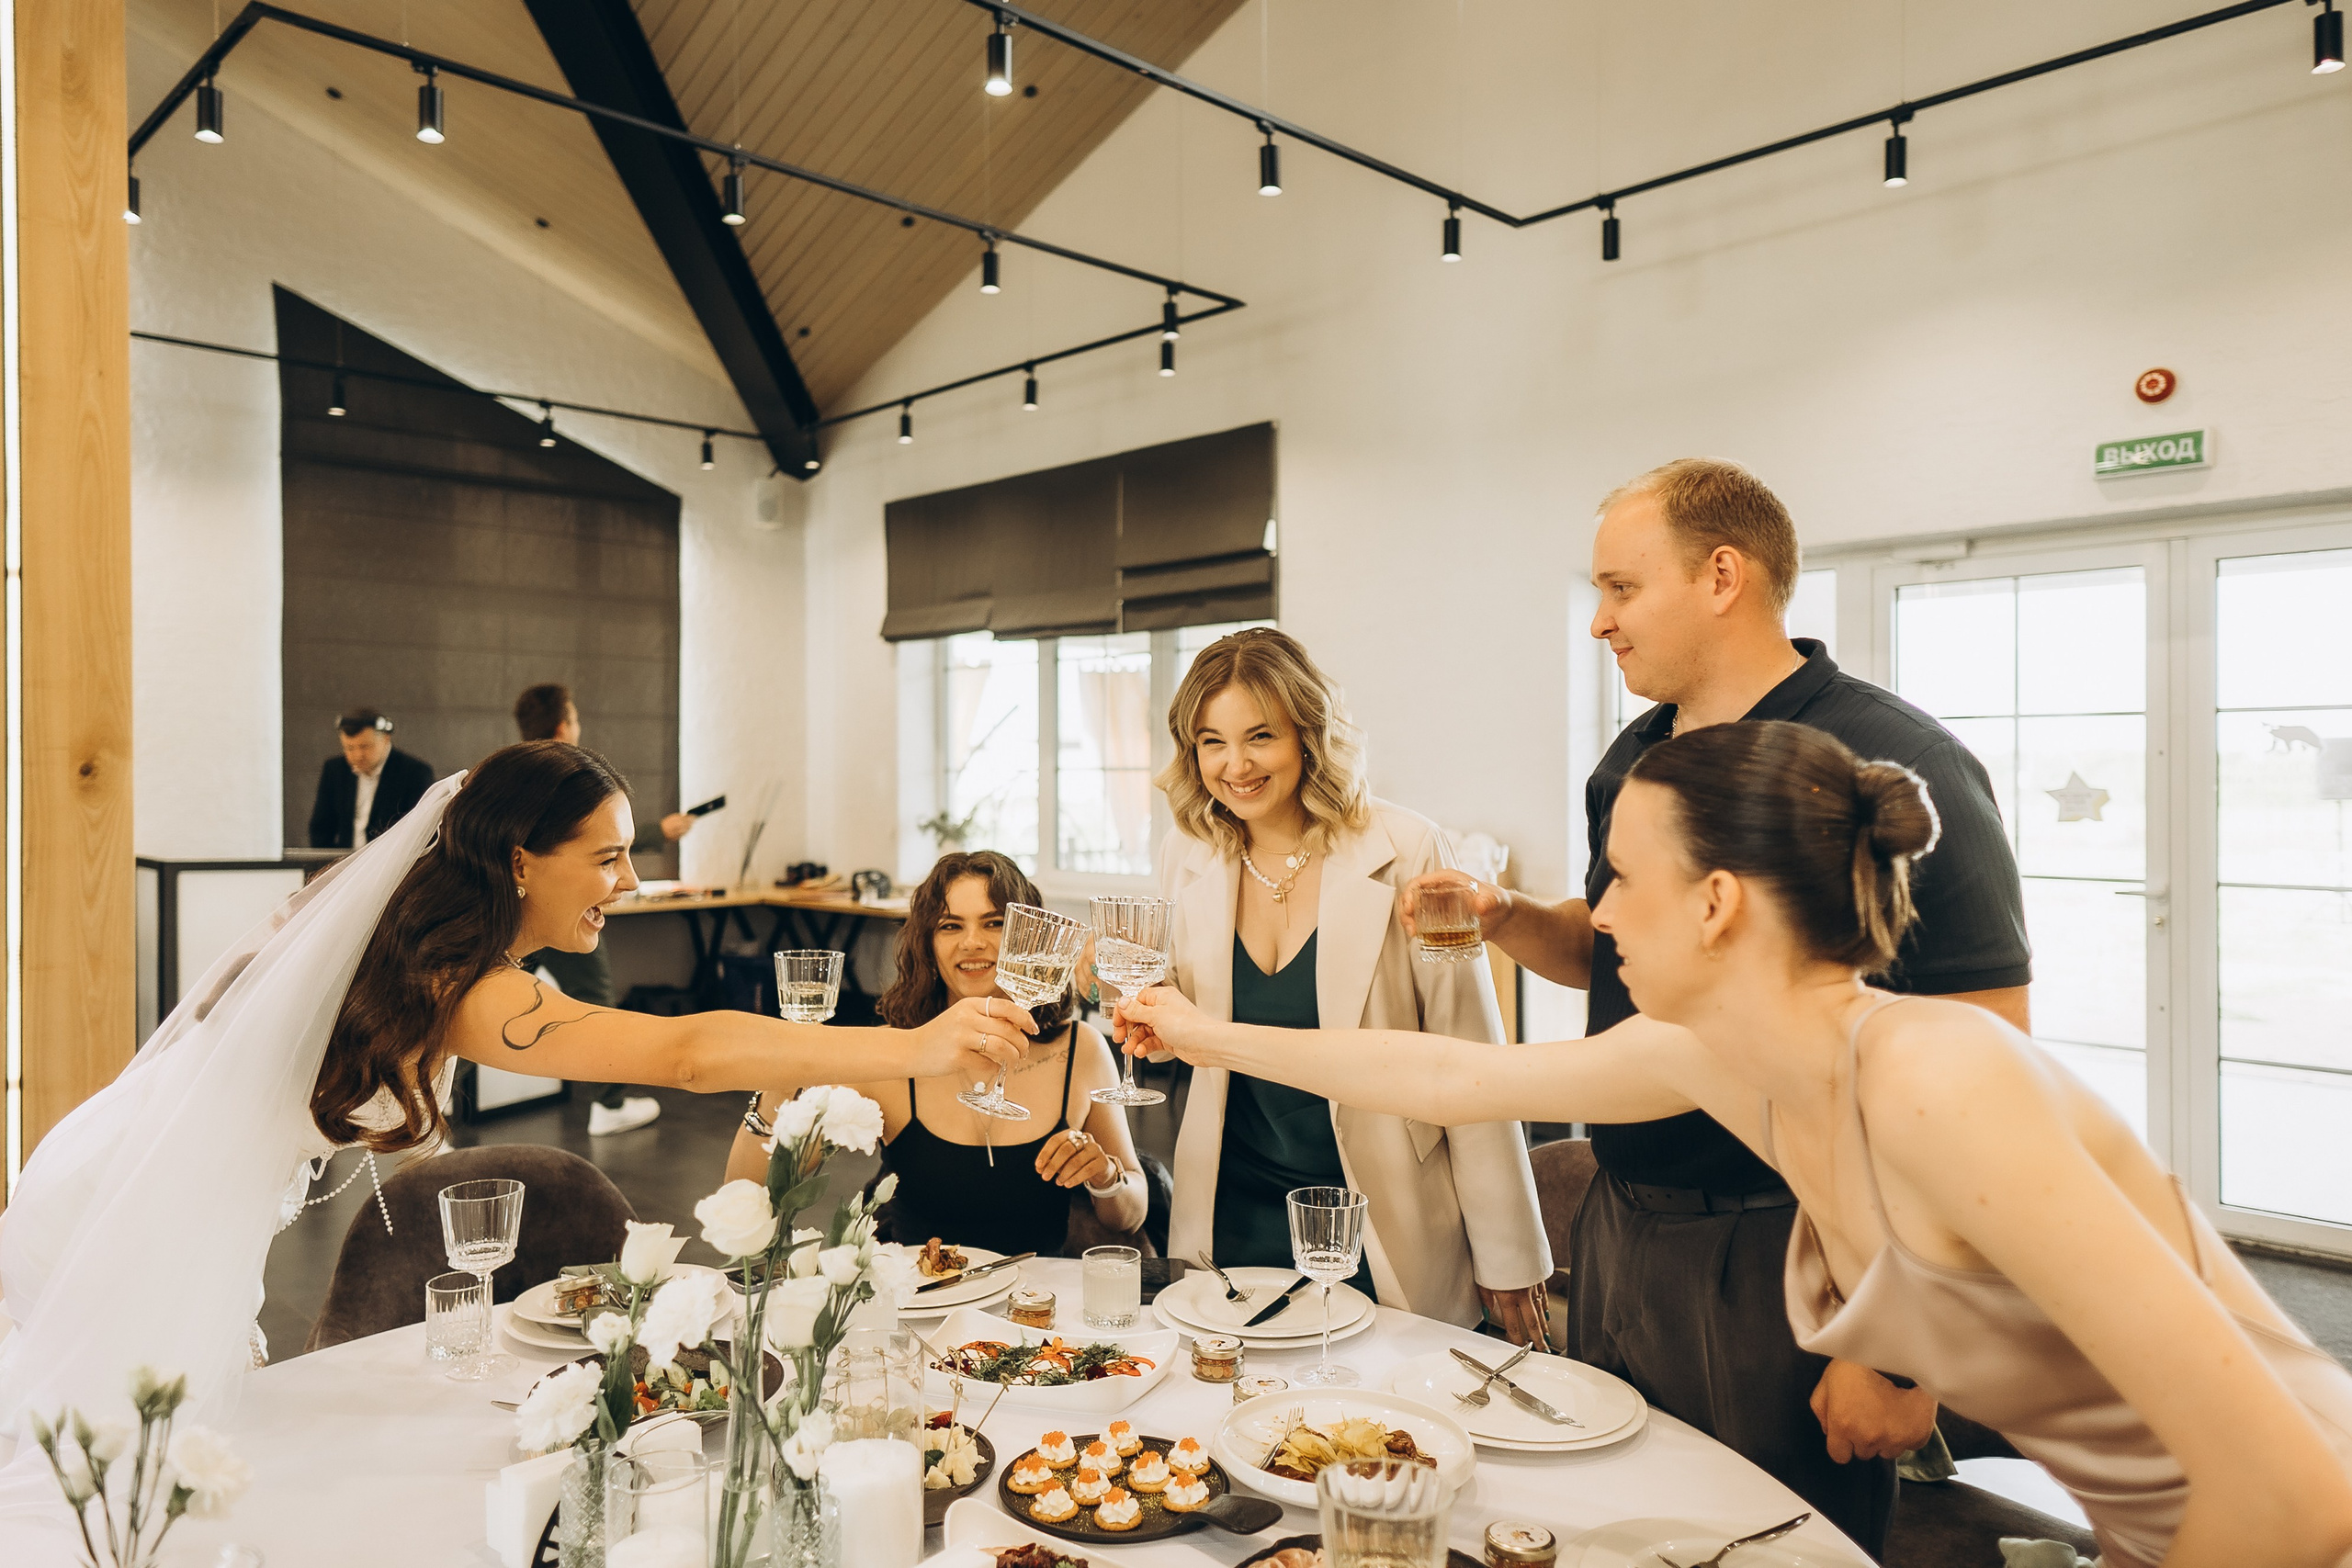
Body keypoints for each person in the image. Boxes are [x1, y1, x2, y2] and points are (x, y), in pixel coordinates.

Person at [1122, 720, 2352, 1568]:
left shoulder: (1938, 1073)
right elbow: (1447, 1078)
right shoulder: (1718, 1054)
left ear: (1716, 902)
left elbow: (2299, 1495)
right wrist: (1196, 1032)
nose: (1598, 914)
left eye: (1621, 878)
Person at [0, 739, 1031, 1551]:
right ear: (520, 860)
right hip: (135, 1209)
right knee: (103, 1482)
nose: (631, 881)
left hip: (143, 1181)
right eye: (609, 857)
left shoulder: (433, 948)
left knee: (152, 1473)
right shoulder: (458, 981)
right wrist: (910, 1044)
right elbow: (686, 1054)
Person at [1400, 458, 2030, 1554]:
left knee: (1772, 1545)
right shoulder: (1632, 759)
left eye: (1620, 588)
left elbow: (1989, 1077)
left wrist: (1895, 1346)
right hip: (1620, 1223)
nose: (1598, 621)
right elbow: (1608, 954)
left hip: (1793, 1244)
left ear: (1722, 576)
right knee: (1605, 1526)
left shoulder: (1898, 760)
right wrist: (1508, 917)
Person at [1151, 628, 1549, 1338]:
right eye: (1212, 742)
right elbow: (1184, 1020)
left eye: (1260, 736)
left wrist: (1508, 1252)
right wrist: (1145, 1016)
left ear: (1308, 734)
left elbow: (1472, 1056)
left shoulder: (1409, 849)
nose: (1235, 765)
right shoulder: (1186, 854)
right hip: (1233, 1215)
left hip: (1382, 1217)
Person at [722, 851, 1148, 1256]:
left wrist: (1106, 1176)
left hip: (1039, 1301)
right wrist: (785, 1071)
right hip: (922, 1295)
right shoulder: (891, 1054)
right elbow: (754, 1193)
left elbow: (1131, 1217)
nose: (972, 942)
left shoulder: (1079, 1050)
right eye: (950, 926)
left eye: (994, 923)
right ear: (927, 944)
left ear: (1030, 938)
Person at [512, 682, 696, 1135]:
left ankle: (437, 1110)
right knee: (595, 997)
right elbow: (593, 837)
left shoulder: (515, 774)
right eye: (575, 719)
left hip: (517, 908)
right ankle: (609, 1104)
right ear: (563, 726)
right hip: (563, 907)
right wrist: (659, 832)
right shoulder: (567, 777)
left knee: (480, 996)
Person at [306, 706, 435, 850]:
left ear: (386, 739)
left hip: (394, 859)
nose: (358, 755)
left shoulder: (415, 773)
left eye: (365, 747)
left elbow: (421, 831)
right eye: (349, 748)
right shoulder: (334, 770)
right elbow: (321, 828)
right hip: (345, 860)